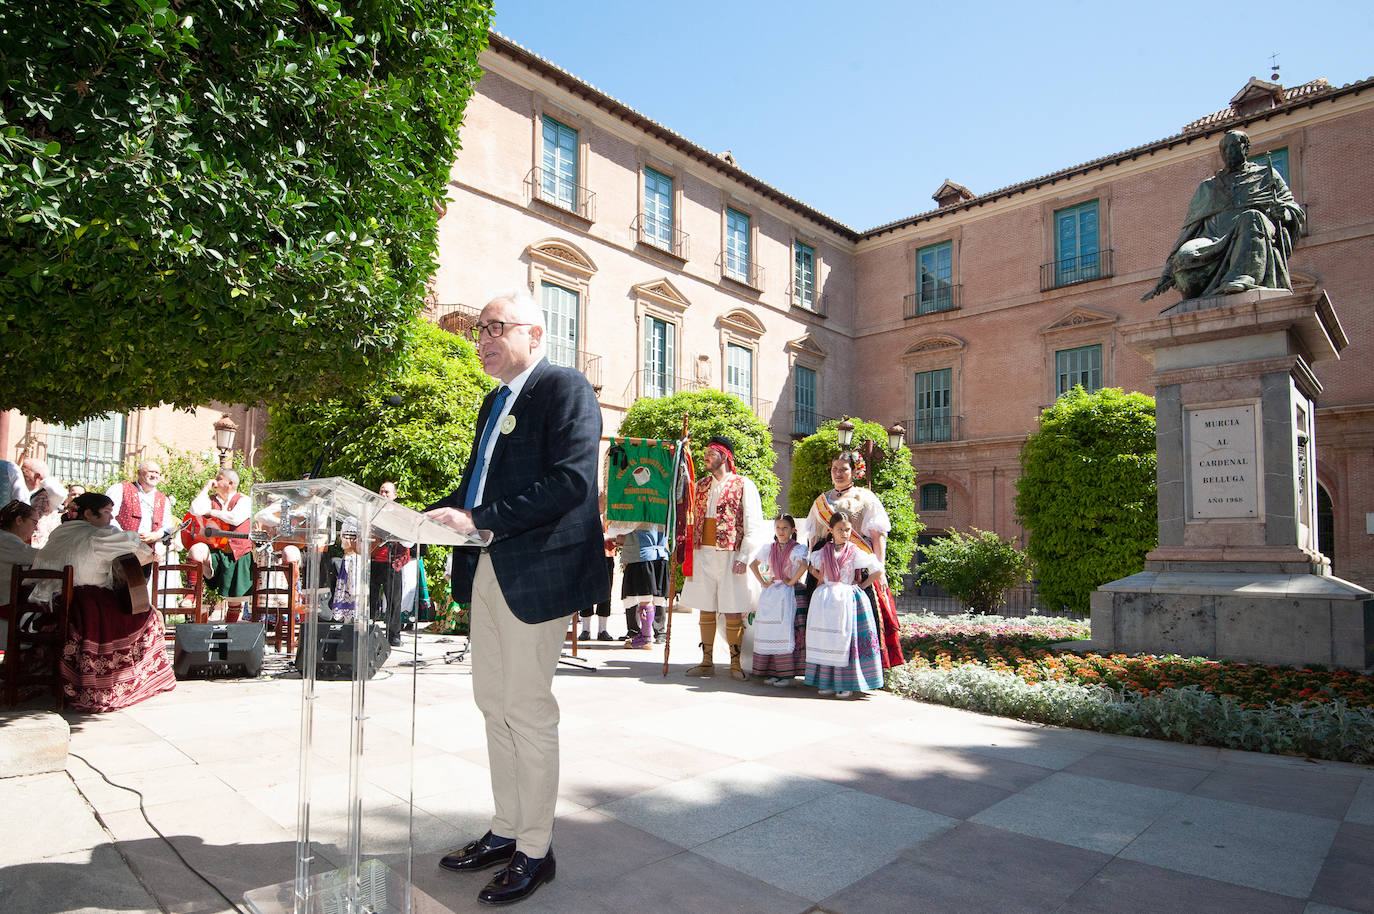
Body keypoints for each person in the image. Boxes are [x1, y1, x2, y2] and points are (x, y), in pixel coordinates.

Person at [425, 290, 606, 906]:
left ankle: (536, 848)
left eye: (495, 327)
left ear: (536, 333)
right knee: (491, 703)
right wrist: (425, 521)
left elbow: (572, 481)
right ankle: (505, 829)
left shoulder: (565, 388)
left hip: (537, 572)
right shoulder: (493, 401)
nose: (482, 339)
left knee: (526, 708)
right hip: (487, 566)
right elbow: (479, 485)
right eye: (479, 330)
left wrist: (480, 518)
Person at [30, 492, 176, 712]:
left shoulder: (59, 532)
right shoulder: (97, 535)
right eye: (107, 512)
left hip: (46, 605)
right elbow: (141, 551)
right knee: (147, 616)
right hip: (82, 602)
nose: (110, 518)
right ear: (89, 513)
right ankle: (128, 682)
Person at [1144, 129, 1305, 302]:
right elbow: (1188, 231)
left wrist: (1285, 213)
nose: (1229, 152)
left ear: (1245, 148)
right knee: (1185, 255)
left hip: (1250, 234)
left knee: (1252, 217)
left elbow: (1292, 207)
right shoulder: (1209, 187)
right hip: (1213, 239)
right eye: (1225, 148)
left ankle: (1243, 277)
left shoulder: (1266, 176)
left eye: (1234, 146)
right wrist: (1169, 270)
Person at [804, 452, 904, 669]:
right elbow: (813, 537)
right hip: (825, 567)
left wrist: (881, 568)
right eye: (834, 469)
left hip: (855, 565)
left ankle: (858, 669)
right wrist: (811, 566)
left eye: (843, 469)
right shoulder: (821, 501)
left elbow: (878, 536)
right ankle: (823, 668)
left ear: (855, 471)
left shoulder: (865, 498)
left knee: (856, 619)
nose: (838, 474)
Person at [679, 435, 767, 681]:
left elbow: (753, 524)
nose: (706, 456)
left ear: (725, 456)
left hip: (730, 554)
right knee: (705, 607)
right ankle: (706, 661)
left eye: (711, 453)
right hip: (703, 553)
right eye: (705, 453)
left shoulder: (743, 484)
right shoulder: (702, 485)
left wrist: (745, 555)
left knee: (732, 607)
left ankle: (735, 663)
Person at [804, 510, 884, 698]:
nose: (845, 533)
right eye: (840, 529)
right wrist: (822, 577)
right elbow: (810, 566)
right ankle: (826, 681)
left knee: (845, 639)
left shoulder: (854, 551)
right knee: (826, 639)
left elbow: (877, 569)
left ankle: (845, 682)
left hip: (847, 598)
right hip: (825, 599)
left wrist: (862, 585)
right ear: (831, 530)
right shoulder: (822, 552)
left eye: (848, 530)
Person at [749, 514, 809, 684]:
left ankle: (787, 674)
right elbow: (753, 564)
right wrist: (763, 582)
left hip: (790, 593)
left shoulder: (798, 548)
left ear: (792, 530)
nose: (781, 531)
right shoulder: (769, 547)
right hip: (773, 592)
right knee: (770, 631)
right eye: (778, 528)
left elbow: (804, 565)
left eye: (785, 528)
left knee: (790, 630)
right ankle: (774, 671)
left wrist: (791, 581)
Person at [188, 470, 254, 621]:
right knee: (195, 551)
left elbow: (235, 519)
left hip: (238, 552)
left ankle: (229, 629)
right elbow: (194, 510)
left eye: (219, 478)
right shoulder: (210, 498)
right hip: (215, 551)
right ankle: (191, 593)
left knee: (235, 600)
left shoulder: (244, 500)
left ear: (230, 483)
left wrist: (211, 512)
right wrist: (205, 489)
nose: (214, 480)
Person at [369, 481, 413, 647]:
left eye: (387, 492)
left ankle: (393, 635)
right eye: (381, 491)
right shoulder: (372, 513)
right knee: (371, 599)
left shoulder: (401, 515)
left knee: (394, 602)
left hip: (393, 564)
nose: (383, 494)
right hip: (373, 562)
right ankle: (369, 632)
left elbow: (409, 542)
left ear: (395, 496)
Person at [106, 461, 179, 559]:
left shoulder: (163, 499)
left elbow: (168, 526)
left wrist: (156, 535)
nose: (154, 475)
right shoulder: (120, 489)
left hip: (149, 553)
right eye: (151, 472)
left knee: (143, 574)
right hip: (120, 550)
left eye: (157, 473)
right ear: (139, 473)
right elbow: (107, 517)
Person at [0, 500, 41, 652]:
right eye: (33, 522)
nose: (35, 527)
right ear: (19, 520)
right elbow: (44, 558)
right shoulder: (8, 541)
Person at [620, 527, 669, 650]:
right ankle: (645, 635)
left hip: (642, 552)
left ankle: (646, 638)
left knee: (644, 596)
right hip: (659, 551)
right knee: (650, 596)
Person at [579, 499, 616, 642]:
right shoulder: (587, 515)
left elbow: (617, 534)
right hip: (589, 555)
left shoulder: (612, 515)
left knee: (605, 593)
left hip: (607, 555)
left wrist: (608, 538)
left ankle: (603, 629)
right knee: (587, 591)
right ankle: (585, 629)